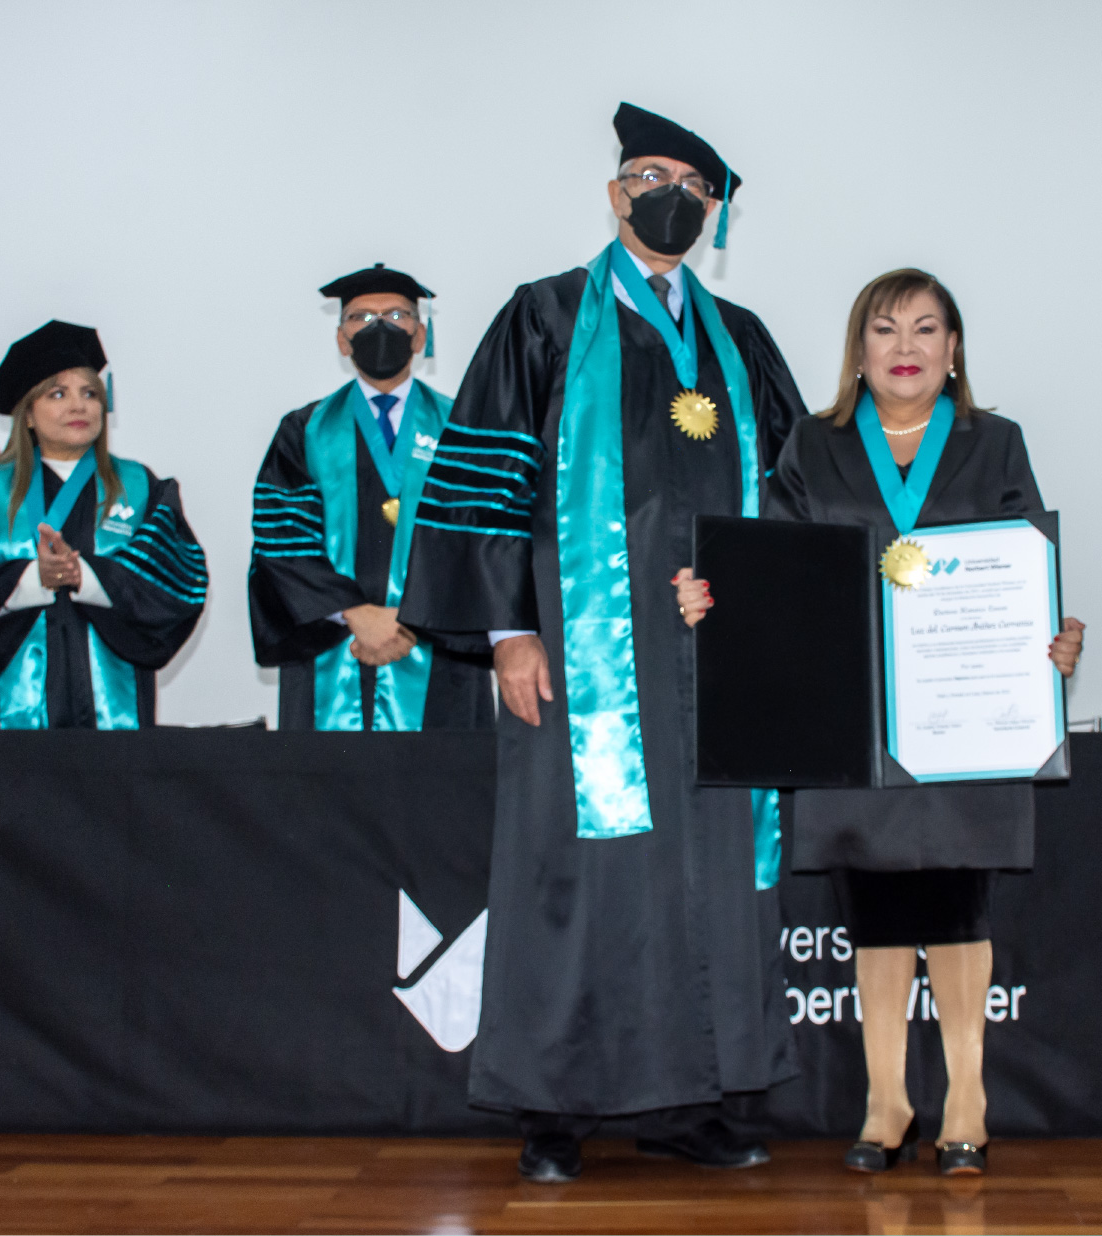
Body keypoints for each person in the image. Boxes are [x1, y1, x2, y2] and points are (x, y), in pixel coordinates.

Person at [398, 103, 806, 1182]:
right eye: (648, 173)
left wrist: (764, 609)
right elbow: (486, 482)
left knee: (712, 879)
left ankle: (692, 1102)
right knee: (571, 877)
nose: (668, 192)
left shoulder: (744, 342)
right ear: (616, 193)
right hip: (579, 666)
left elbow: (799, 504)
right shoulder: (543, 319)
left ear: (711, 211)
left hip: (718, 667)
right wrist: (509, 633)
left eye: (690, 181)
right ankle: (555, 1109)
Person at [679, 269, 1083, 1176]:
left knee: (953, 902)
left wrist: (1052, 637)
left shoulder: (995, 443)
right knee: (873, 907)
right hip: (848, 718)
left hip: (965, 715)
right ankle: (886, 1101)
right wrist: (715, 597)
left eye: (927, 329)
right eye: (885, 329)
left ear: (954, 350)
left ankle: (966, 1100)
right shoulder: (810, 446)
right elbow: (775, 570)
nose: (906, 347)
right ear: (857, 351)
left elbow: (1024, 568)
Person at [0, 320, 207, 728]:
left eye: (89, 393)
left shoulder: (140, 488)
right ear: (28, 415)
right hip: (7, 724)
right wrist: (30, 579)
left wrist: (82, 575)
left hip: (114, 722)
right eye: (58, 393)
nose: (78, 405)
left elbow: (178, 579)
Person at [249, 264, 494, 731]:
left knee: (444, 795)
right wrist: (356, 614)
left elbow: (481, 537)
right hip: (333, 640)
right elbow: (282, 537)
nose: (380, 328)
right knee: (327, 798)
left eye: (397, 316)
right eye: (361, 319)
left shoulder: (464, 428)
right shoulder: (304, 430)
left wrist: (411, 620)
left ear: (420, 335)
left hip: (439, 651)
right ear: (342, 340)